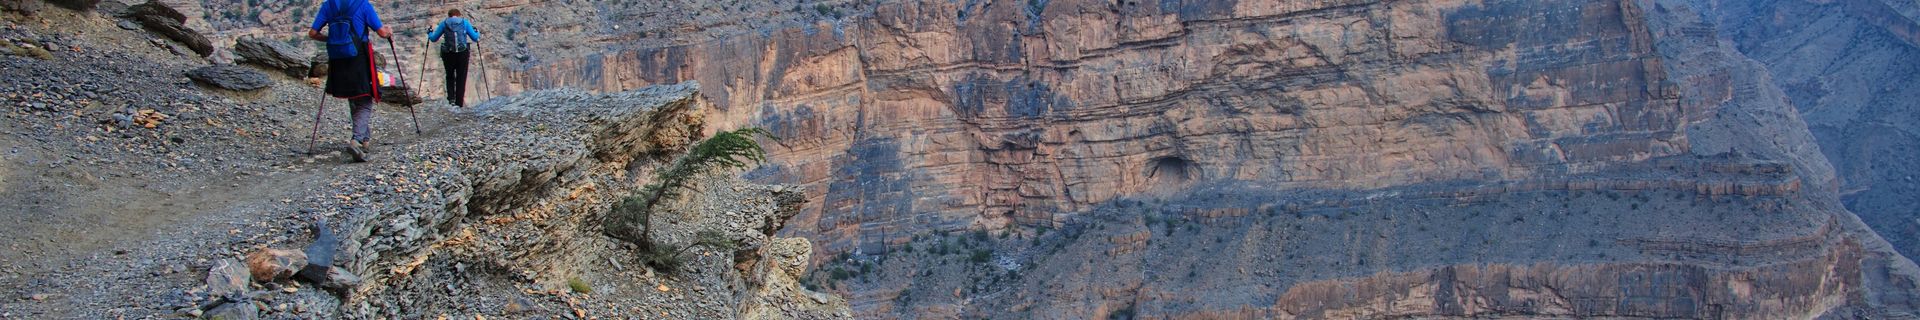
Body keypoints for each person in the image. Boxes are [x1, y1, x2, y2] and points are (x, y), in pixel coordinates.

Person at [308, 0, 392, 162]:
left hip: (337, 60)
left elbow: (312, 33)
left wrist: (334, 39)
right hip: (358, 58)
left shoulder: (328, 5)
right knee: (365, 98)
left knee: (353, 96)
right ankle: (357, 140)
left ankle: (365, 140)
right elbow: (382, 33)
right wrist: (389, 32)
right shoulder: (363, 4)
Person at [428, 9, 481, 107]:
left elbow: (433, 38)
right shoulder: (464, 22)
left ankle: (451, 99)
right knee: (461, 77)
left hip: (448, 54)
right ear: (459, 15)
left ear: (449, 15)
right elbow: (475, 38)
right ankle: (459, 103)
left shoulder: (444, 23)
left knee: (450, 76)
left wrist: (429, 33)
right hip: (462, 53)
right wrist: (477, 32)